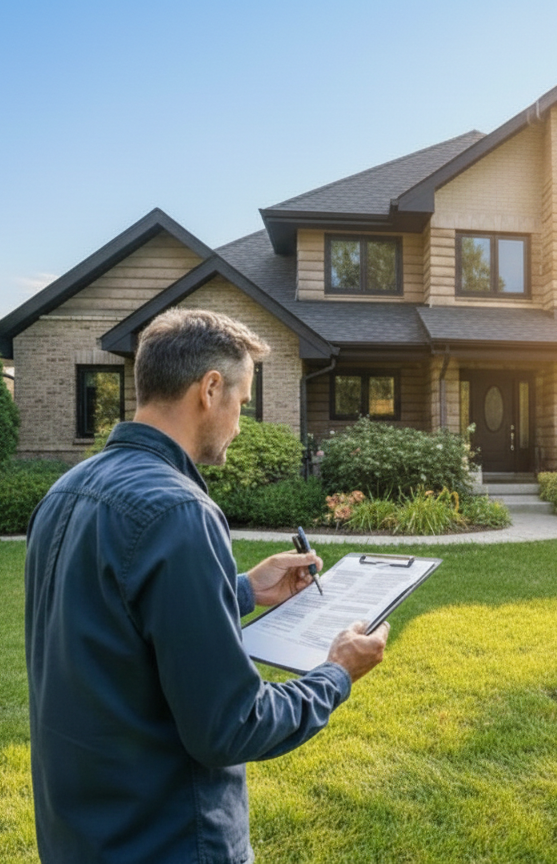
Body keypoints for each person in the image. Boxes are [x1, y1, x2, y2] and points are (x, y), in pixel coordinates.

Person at [24, 308, 390, 863]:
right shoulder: (180, 511)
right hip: (167, 838)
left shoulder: (65, 492)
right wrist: (337, 673)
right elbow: (230, 725)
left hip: (78, 835)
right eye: (242, 404)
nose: (241, 425)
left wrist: (242, 590)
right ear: (210, 390)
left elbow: (116, 619)